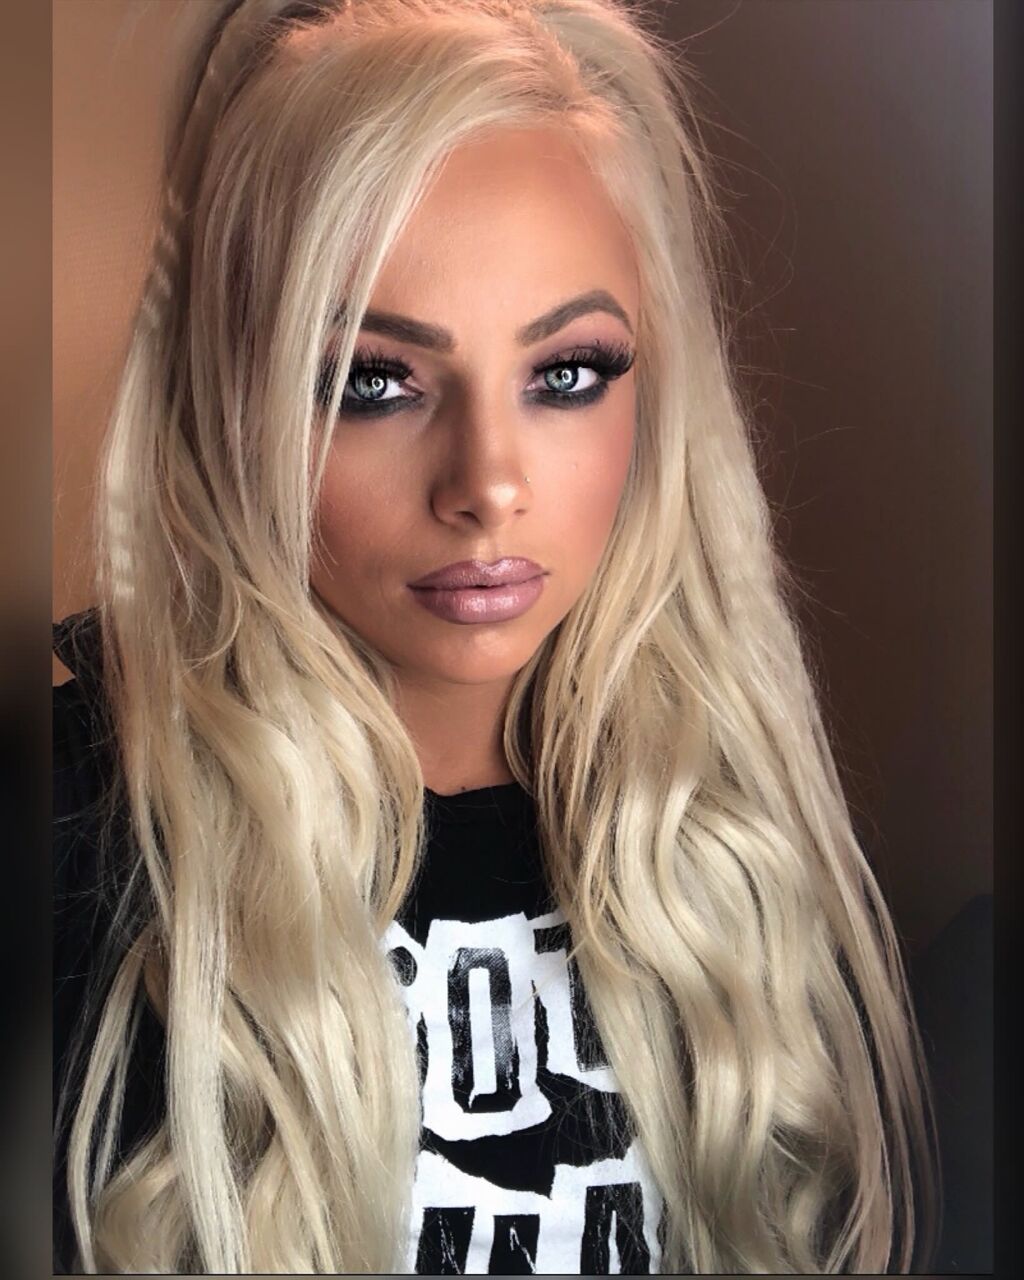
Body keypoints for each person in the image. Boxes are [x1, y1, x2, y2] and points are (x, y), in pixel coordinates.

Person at [52, 0, 940, 1272]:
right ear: (231, 396)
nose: (487, 484)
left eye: (565, 373)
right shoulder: (81, 834)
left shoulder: (734, 847)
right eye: (372, 381)